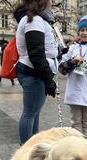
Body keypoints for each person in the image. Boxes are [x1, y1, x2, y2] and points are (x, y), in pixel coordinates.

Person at [14, 0, 58, 144]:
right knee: (30, 113)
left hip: (34, 71)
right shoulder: (34, 20)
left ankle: (32, 146)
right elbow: (36, 54)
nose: (52, 3)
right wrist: (48, 79)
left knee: (33, 112)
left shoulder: (37, 19)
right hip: (33, 72)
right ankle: (26, 151)